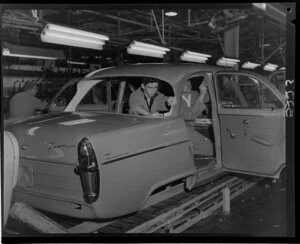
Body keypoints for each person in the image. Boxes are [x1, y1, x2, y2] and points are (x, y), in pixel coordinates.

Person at [179, 78, 213, 156]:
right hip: (184, 128)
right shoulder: (176, 99)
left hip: (197, 124)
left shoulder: (194, 93)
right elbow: (189, 116)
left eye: (189, 82)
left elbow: (208, 97)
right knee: (209, 148)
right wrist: (201, 94)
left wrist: (209, 83)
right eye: (185, 83)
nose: (188, 85)